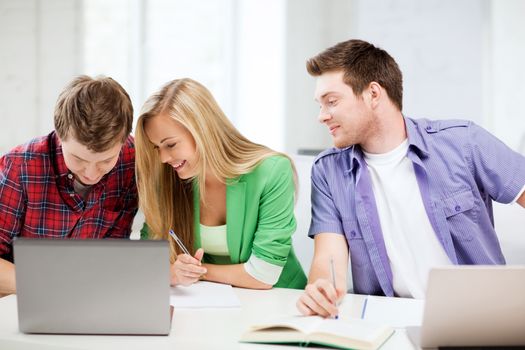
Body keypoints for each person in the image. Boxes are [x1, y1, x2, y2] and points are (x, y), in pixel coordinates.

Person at [296, 39, 525, 317]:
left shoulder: (464, 142)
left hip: (482, 318)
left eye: (331, 102)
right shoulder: (328, 171)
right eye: (319, 105)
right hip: (387, 322)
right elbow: (327, 260)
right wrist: (321, 290)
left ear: (373, 94)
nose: (321, 116)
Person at [134, 78, 306, 289]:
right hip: (210, 304)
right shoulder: (170, 179)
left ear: (203, 130)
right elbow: (147, 260)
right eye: (156, 148)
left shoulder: (272, 171)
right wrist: (173, 273)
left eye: (170, 144)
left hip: (280, 303)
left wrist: (196, 272)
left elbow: (264, 273)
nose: (163, 158)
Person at [0, 75, 138, 296]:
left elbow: (114, 252)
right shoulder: (20, 167)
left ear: (123, 141)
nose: (92, 174)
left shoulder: (131, 159)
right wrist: (50, 285)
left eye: (105, 161)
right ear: (59, 134)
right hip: (24, 298)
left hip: (94, 296)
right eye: (79, 159)